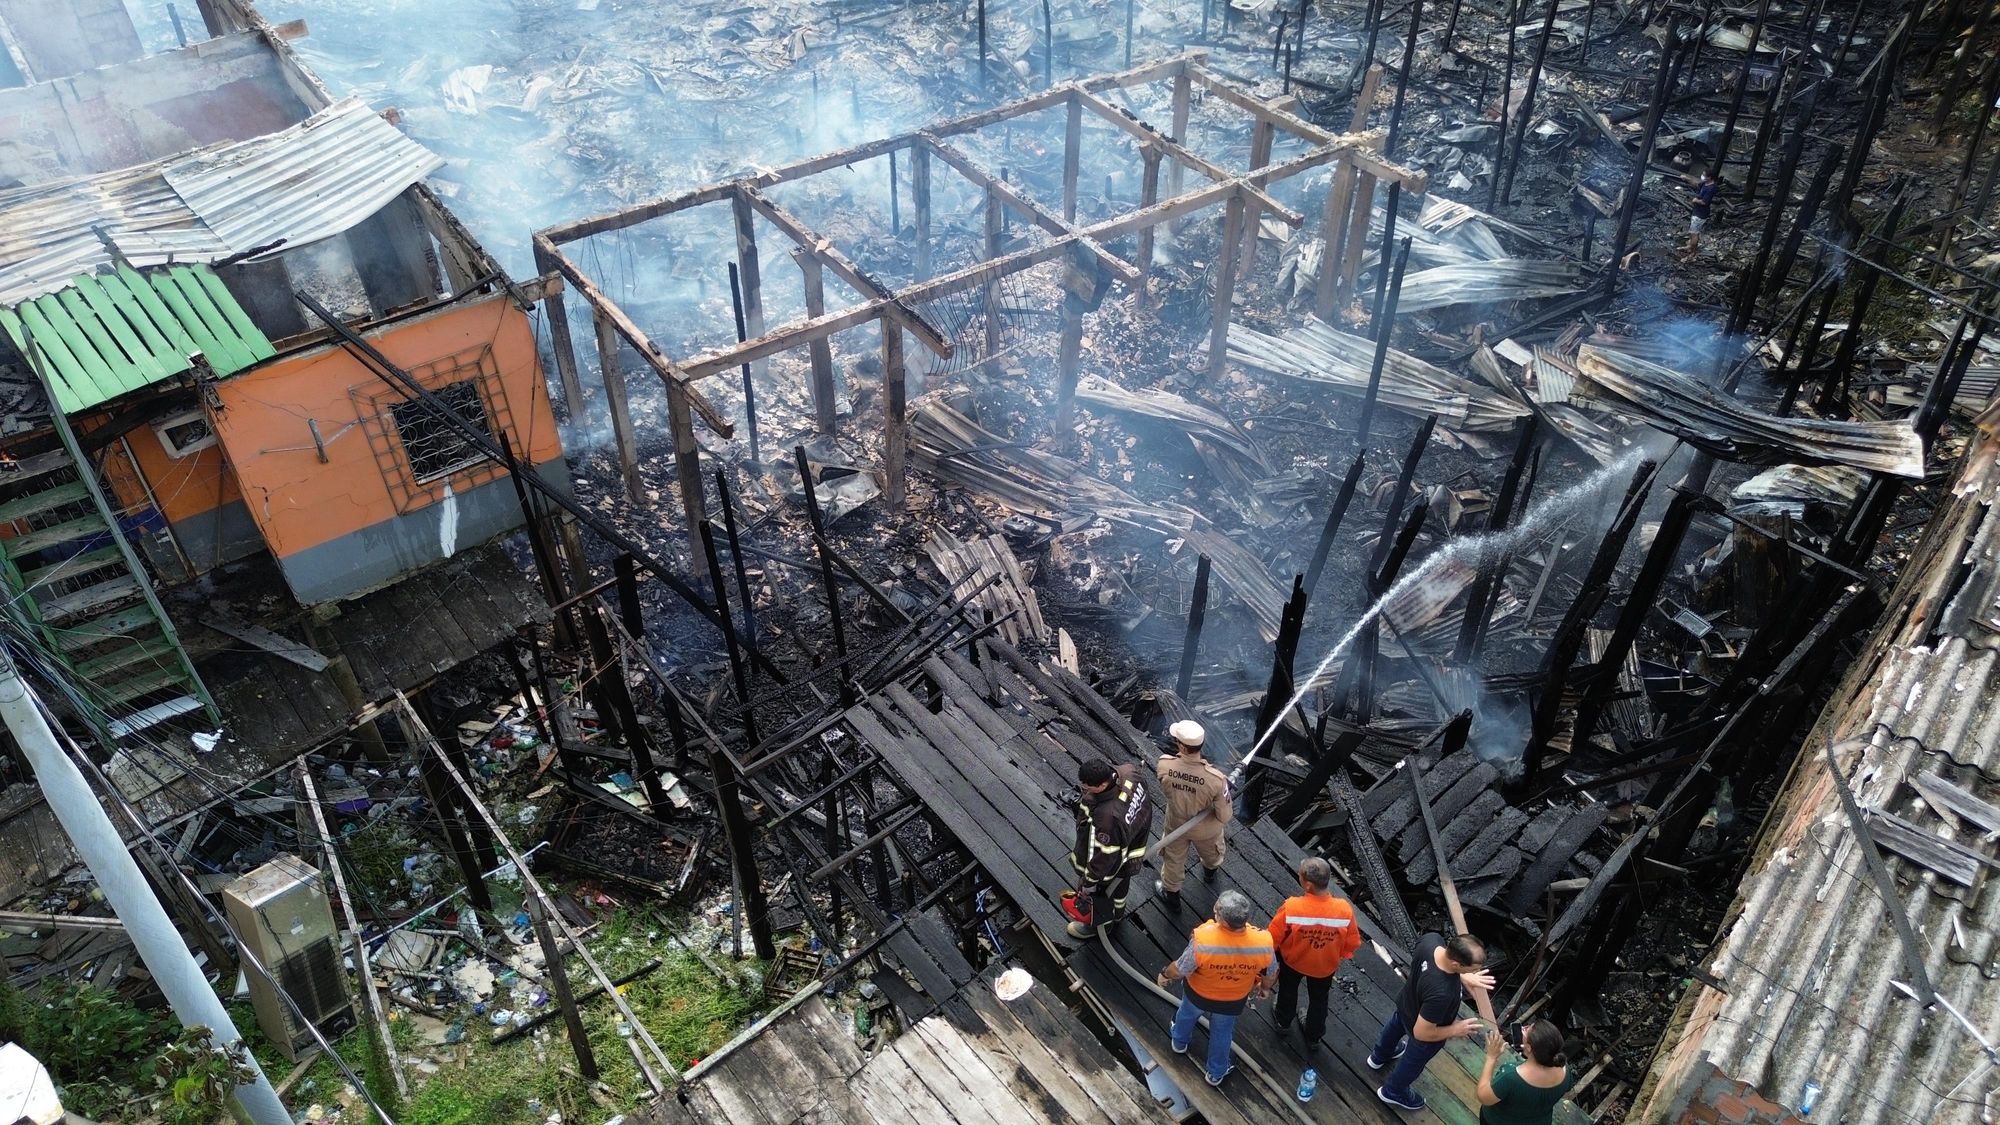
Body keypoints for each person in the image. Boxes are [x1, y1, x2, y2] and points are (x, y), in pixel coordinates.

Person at [1155, 889, 1275, 1088]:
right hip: (1232, 1001)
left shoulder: (1203, 939)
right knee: (1222, 1034)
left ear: (1224, 921)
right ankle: (1216, 1073)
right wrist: (1265, 987)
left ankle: (1179, 1043)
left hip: (1198, 994)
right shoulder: (1263, 942)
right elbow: (1270, 972)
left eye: (1217, 910)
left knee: (1185, 1015)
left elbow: (1180, 969)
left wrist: (1165, 974)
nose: (1214, 911)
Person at [1370, 932, 1495, 1111]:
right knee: (1414, 1059)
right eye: (1471, 969)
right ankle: (1393, 1092)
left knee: (1394, 1027)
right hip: (1422, 1029)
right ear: (1456, 964)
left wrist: (1461, 975)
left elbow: (1438, 968)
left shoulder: (1431, 940)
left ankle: (1379, 1056)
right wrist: (1455, 1029)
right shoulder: (1443, 993)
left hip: (1407, 1004)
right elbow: (1422, 1033)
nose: (1474, 972)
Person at [1266, 857, 1361, 1046]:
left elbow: (1273, 937)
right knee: (1319, 1000)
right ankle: (1313, 1036)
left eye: (1300, 875)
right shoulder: (1344, 909)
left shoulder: (1292, 907)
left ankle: (1283, 1022)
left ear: (1307, 884)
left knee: (1287, 991)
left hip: (1293, 962)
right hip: (1325, 967)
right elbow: (1352, 943)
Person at [1063, 757, 1152, 939]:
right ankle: (1117, 916)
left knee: (1101, 893)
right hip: (1131, 847)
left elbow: (1105, 857)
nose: (1085, 791)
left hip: (1111, 862)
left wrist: (1089, 882)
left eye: (1088, 788)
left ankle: (1100, 924)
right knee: (1120, 890)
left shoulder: (1108, 818)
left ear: (1103, 785)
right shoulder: (1129, 772)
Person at [1153, 720, 1232, 910]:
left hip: (1176, 825)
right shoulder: (1215, 779)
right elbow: (1224, 815)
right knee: (1212, 853)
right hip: (1206, 829)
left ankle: (1171, 895)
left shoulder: (1164, 765)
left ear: (1181, 746)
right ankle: (1210, 872)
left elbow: (1166, 789)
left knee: (1173, 860)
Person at [1479, 1020, 1576, 1125]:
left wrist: (1491, 1057)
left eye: (1526, 1029)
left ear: (1529, 1048)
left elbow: (1484, 1097)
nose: (1523, 1028)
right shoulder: (1564, 1070)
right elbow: (1566, 1089)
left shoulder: (1511, 1077)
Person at [1679, 170, 1719, 257]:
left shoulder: (1711, 189)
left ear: (1710, 177)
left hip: (1701, 213)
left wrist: (1695, 200)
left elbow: (1705, 202)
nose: (1702, 176)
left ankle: (1693, 251)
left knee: (1695, 233)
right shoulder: (1705, 183)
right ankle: (1689, 246)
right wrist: (1686, 179)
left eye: (1704, 175)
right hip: (1697, 210)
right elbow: (1696, 184)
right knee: (1692, 230)